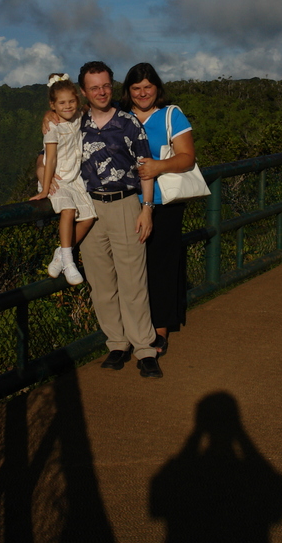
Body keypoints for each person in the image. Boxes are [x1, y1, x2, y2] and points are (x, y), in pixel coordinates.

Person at [76, 61, 163, 377]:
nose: (101, 92)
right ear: (84, 91)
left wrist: (146, 208)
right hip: (89, 211)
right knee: (101, 283)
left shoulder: (128, 123)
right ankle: (116, 343)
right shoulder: (75, 123)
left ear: (112, 86)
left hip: (126, 204)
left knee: (133, 280)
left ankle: (144, 348)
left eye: (105, 85)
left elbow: (145, 167)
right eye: (94, 87)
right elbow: (52, 146)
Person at [122, 63, 194, 358]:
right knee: (131, 268)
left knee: (161, 264)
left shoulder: (170, 115)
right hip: (127, 201)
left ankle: (160, 328)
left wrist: (157, 167)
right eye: (136, 88)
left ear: (157, 88)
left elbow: (187, 158)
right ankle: (135, 327)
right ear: (128, 91)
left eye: (147, 87)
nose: (142, 93)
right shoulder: (119, 116)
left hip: (164, 202)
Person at [31, 73, 96, 286]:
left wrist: (80, 108)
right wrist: (45, 188)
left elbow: (88, 106)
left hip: (75, 178)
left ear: (77, 101)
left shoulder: (78, 116)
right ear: (53, 105)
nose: (67, 106)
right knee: (68, 211)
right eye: (61, 103)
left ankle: (61, 252)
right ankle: (69, 261)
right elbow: (50, 160)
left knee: (88, 217)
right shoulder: (53, 126)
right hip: (57, 179)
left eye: (71, 101)